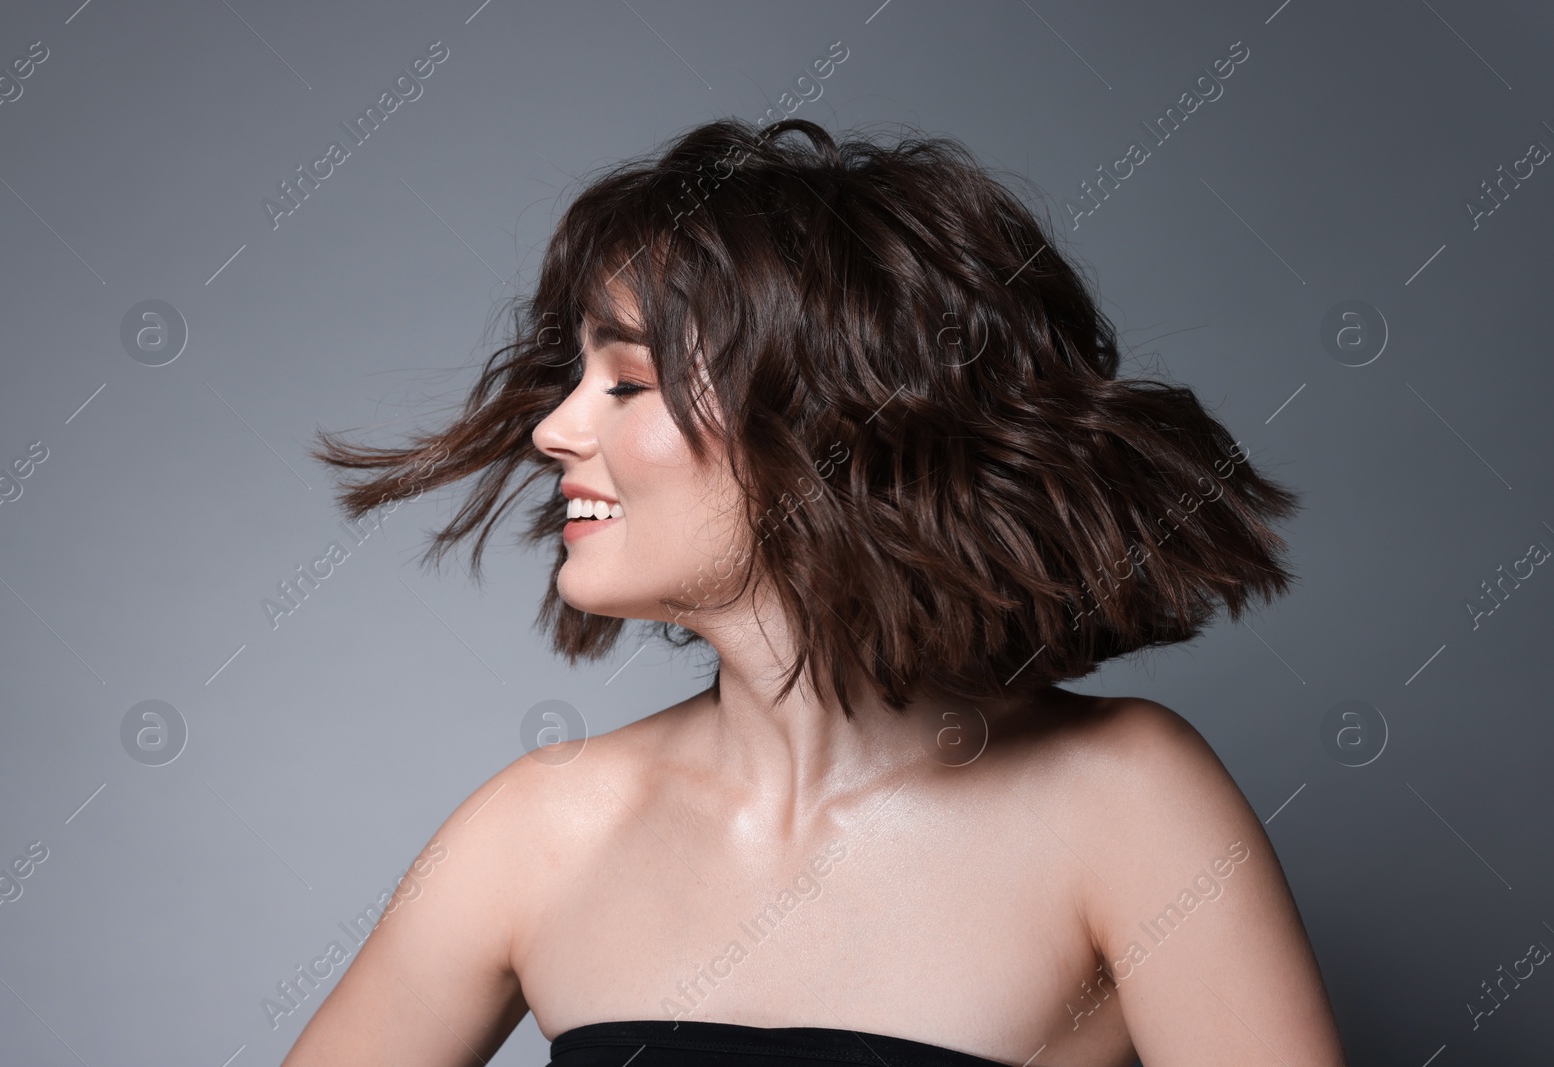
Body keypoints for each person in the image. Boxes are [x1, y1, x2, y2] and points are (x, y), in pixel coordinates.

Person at [286, 117, 1348, 1066]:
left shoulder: (1127, 801)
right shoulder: (539, 826)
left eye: (626, 382)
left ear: (825, 425)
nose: (554, 429)